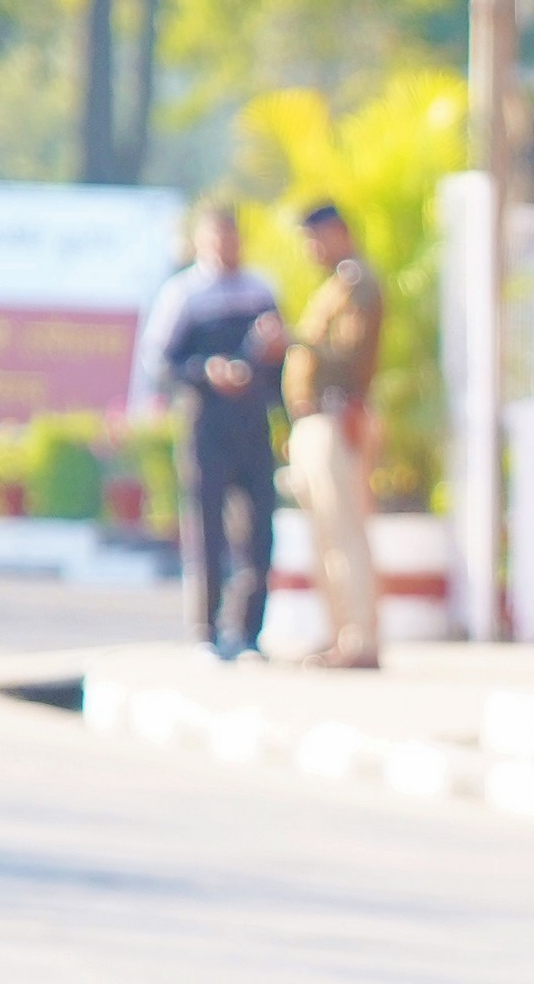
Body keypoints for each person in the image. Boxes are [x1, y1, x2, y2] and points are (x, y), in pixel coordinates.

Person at [158, 204, 285, 658]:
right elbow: (163, 363)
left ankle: (247, 632)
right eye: (217, 239)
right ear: (201, 242)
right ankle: (206, 632)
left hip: (252, 425)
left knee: (258, 533)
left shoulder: (260, 289)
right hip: (206, 425)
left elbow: (282, 361)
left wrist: (271, 355)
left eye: (232, 238)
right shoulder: (184, 294)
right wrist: (206, 372)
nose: (226, 247)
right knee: (207, 531)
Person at [283, 200, 385, 671]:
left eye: (315, 238)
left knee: (344, 535)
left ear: (337, 232)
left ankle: (360, 640)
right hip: (314, 420)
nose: (311, 249)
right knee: (324, 538)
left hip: (337, 416)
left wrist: (294, 341)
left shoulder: (358, 283)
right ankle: (341, 634)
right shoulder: (337, 284)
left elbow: (348, 357)